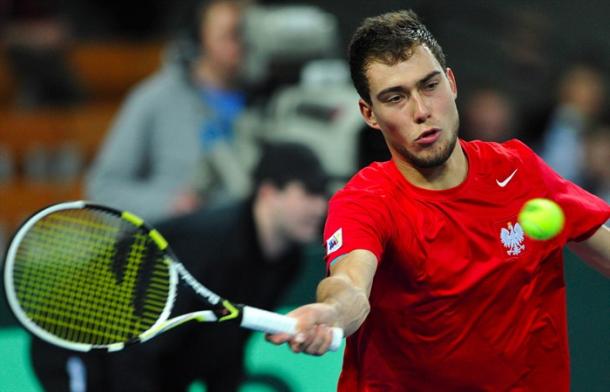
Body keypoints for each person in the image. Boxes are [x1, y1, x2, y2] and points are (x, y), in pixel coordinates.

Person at [266, 10, 610, 391]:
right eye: (395, 97)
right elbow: (350, 284)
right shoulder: (366, 201)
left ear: (451, 83)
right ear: (370, 114)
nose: (421, 111)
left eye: (429, 86)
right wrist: (331, 312)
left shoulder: (520, 171)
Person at [28, 141, 328, 391]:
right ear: (269, 192)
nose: (320, 206)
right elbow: (140, 350)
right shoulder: (206, 243)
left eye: (323, 193)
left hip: (146, 361)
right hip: (73, 342)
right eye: (308, 193)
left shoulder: (289, 260)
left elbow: (227, 346)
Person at [86, 0, 255, 224]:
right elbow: (104, 187)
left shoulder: (274, 98)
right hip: (179, 245)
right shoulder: (156, 98)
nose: (241, 45)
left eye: (248, 34)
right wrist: (171, 205)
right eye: (231, 35)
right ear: (198, 37)